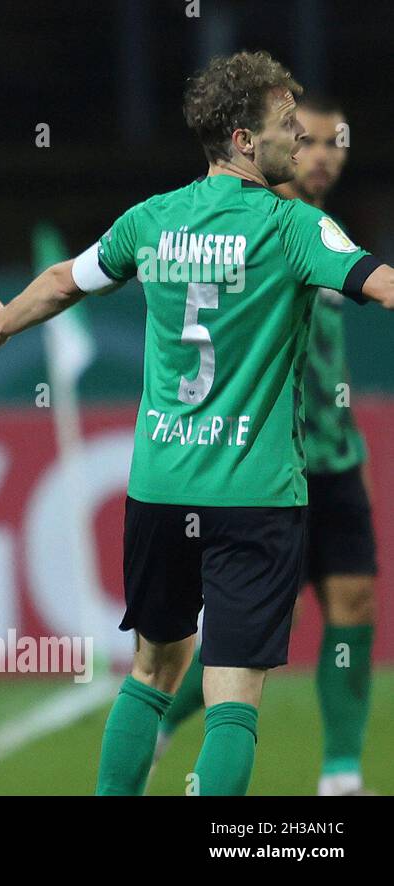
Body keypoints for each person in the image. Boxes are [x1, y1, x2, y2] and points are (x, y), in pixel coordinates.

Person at [0, 51, 394, 796]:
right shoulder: (291, 227)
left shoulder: (151, 220)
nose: (302, 141)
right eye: (287, 126)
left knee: (152, 671)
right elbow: (379, 284)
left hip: (159, 487)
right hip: (254, 494)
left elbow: (64, 280)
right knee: (233, 700)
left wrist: (2, 325)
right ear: (245, 140)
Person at [155, 95, 378, 796]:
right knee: (249, 632)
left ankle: (341, 776)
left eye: (335, 142)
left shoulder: (323, 229)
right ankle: (163, 720)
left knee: (354, 599)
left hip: (333, 458)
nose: (323, 154)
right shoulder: (266, 226)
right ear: (272, 146)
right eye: (307, 140)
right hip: (266, 462)